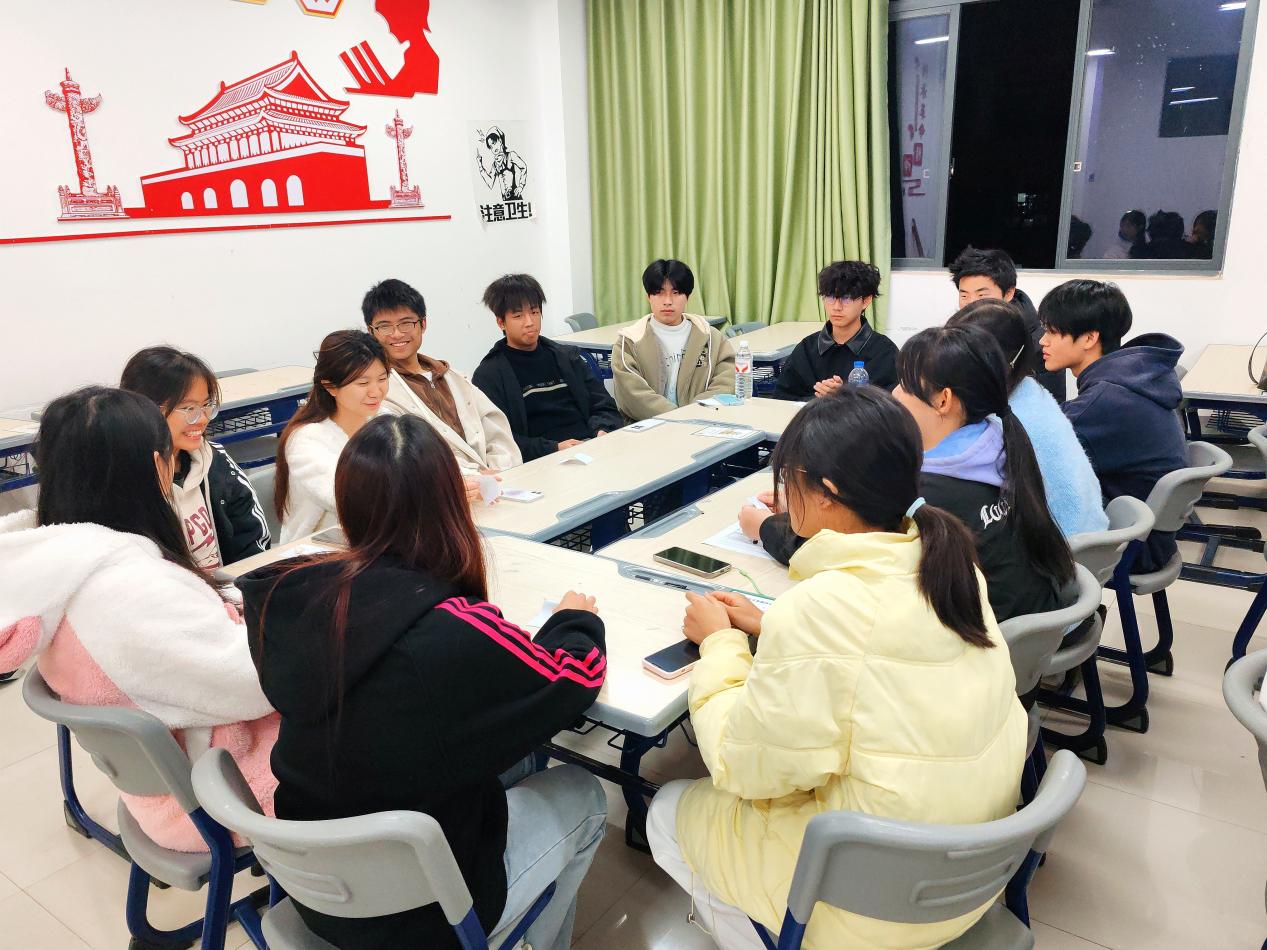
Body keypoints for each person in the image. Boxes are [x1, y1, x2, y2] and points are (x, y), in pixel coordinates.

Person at [646, 389, 1027, 950]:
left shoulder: (823, 606)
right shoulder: (950, 564)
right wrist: (770, 626)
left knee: (667, 809)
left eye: (788, 482)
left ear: (825, 493)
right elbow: (875, 659)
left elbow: (739, 765)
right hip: (970, 873)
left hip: (874, 908)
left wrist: (721, 643)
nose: (782, 498)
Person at [239, 414, 608, 950]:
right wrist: (575, 619)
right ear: (450, 502)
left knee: (516, 761)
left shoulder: (289, 600)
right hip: (426, 915)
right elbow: (577, 675)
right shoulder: (451, 629)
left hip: (317, 886)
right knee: (585, 792)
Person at [0, 387, 278, 852]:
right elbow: (253, 684)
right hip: (218, 791)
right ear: (157, 465)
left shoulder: (60, 565)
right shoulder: (130, 589)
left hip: (177, 778)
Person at [747, 326, 1073, 623]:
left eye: (905, 384)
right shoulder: (997, 444)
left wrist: (764, 526)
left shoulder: (928, 491)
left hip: (975, 635)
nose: (895, 394)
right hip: (1024, 625)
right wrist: (806, 499)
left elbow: (851, 556)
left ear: (943, 400)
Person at [1039, 280, 1188, 572]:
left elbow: (1029, 449)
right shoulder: (1130, 378)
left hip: (1130, 545)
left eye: (1053, 332)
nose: (1043, 341)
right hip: (1147, 531)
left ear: (1089, 338)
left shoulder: (1106, 401)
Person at [946, 300, 1108, 536]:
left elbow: (942, 478)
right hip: (1087, 533)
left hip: (1060, 542)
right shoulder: (1032, 391)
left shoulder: (1002, 421)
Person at [121, 346, 270, 568]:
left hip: (228, 585)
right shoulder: (125, 480)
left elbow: (251, 537)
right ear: (145, 409)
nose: (202, 419)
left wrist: (245, 581)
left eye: (207, 405)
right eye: (188, 408)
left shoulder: (214, 459)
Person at [365, 278, 522, 474]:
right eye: (385, 326)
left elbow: (497, 431)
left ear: (423, 324)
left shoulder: (454, 377)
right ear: (371, 332)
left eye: (406, 323)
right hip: (446, 486)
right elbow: (408, 456)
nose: (396, 334)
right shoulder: (379, 391)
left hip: (501, 481)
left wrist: (500, 472)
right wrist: (474, 476)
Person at [472, 274, 623, 461]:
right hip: (542, 460)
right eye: (518, 316)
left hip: (592, 447)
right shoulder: (489, 375)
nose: (529, 322)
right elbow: (498, 440)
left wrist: (603, 430)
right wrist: (554, 448)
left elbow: (604, 404)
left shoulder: (566, 357)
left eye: (534, 312)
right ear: (501, 322)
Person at [274, 331, 389, 544]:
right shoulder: (306, 440)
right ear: (330, 387)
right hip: (315, 551)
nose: (376, 392)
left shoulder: (383, 418)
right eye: (363, 383)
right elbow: (350, 498)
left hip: (373, 540)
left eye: (382, 379)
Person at [612, 259, 736, 420]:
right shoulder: (629, 342)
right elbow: (632, 394)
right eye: (659, 292)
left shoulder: (711, 338)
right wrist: (679, 418)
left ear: (687, 296)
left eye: (676, 293)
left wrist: (694, 414)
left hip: (703, 422)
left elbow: (727, 382)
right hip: (649, 427)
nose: (668, 301)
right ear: (648, 296)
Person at [949, 246, 1066, 402]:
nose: (971, 303)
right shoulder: (957, 333)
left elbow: (1052, 405)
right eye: (964, 295)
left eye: (982, 295)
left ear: (1009, 293)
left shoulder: (1040, 345)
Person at [773, 260, 897, 400]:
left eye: (846, 299)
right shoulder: (807, 348)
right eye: (830, 297)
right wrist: (822, 400)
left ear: (866, 301)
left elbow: (892, 406)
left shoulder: (884, 352)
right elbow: (782, 398)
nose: (837, 307)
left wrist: (845, 397)